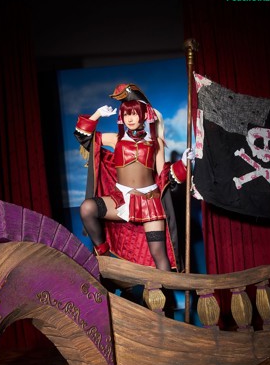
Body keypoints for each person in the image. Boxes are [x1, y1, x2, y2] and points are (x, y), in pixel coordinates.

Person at [74, 83, 193, 276]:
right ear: (122, 117)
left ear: (144, 115)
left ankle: (165, 300)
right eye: (126, 114)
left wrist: (184, 164)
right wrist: (96, 114)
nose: (130, 118)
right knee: (87, 208)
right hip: (121, 199)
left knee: (159, 254)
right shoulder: (115, 139)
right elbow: (83, 137)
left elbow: (163, 173)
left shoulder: (155, 143)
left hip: (150, 202)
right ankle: (103, 254)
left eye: (135, 114)